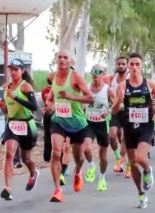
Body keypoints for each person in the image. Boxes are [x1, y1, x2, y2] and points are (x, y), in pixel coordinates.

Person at [112, 53, 155, 208]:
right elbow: (115, 110)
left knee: (141, 158)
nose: (134, 67)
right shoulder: (122, 87)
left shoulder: (149, 84)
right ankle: (141, 193)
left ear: (142, 67)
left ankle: (148, 170)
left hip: (145, 126)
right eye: (132, 64)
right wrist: (119, 101)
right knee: (133, 162)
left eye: (137, 64)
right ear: (129, 67)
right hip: (129, 126)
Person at [43, 50, 96, 203]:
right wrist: (49, 106)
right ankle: (57, 190)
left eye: (65, 57)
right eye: (59, 57)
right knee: (56, 152)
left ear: (71, 62)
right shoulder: (53, 77)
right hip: (59, 120)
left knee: (79, 157)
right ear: (56, 60)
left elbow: (90, 98)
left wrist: (70, 97)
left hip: (77, 123)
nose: (62, 60)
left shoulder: (76, 77)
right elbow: (50, 97)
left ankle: (78, 171)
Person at [0, 59, 40, 201]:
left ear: (22, 71)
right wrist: (2, 107)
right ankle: (7, 188)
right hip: (12, 124)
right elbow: (7, 107)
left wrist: (16, 97)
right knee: (9, 153)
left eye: (16, 69)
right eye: (11, 69)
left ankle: (33, 173)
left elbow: (34, 107)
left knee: (26, 159)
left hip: (27, 125)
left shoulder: (26, 87)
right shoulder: (6, 87)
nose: (13, 72)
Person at [86, 64, 115, 192]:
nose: (95, 74)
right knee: (86, 149)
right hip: (89, 122)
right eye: (93, 71)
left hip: (103, 124)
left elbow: (116, 105)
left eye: (98, 71)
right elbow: (81, 100)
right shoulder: (86, 87)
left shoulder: (108, 90)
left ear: (103, 74)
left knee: (103, 156)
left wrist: (108, 111)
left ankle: (102, 178)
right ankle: (91, 166)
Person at [108, 56, 128, 173]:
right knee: (112, 135)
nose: (120, 66)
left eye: (123, 64)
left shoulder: (131, 78)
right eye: (119, 64)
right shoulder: (112, 78)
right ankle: (118, 156)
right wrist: (113, 102)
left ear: (127, 65)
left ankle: (122, 158)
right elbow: (110, 94)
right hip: (116, 110)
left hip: (127, 112)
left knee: (124, 137)